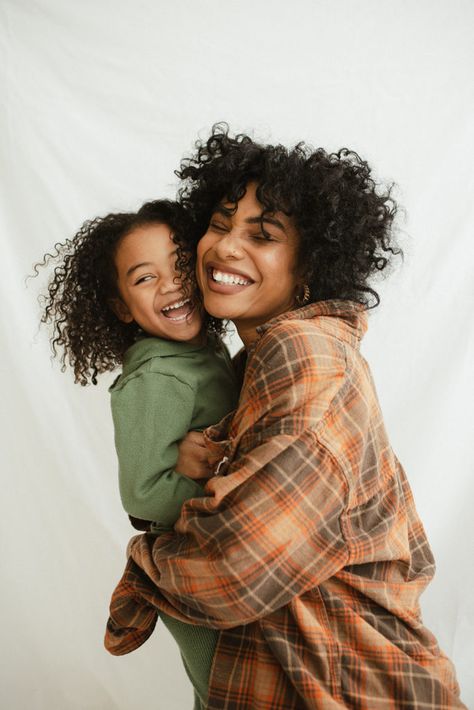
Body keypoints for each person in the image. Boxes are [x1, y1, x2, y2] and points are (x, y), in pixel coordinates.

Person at [105, 127, 466, 709]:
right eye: (219, 223)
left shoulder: (303, 352)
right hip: (282, 678)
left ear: (309, 268)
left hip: (349, 689)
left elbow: (235, 568)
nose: (224, 247)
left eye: (262, 234)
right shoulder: (253, 362)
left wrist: (141, 566)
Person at [37, 199, 239, 710]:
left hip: (213, 558)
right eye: (145, 278)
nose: (171, 285)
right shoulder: (157, 376)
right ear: (123, 306)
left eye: (178, 266)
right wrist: (214, 485)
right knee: (227, 689)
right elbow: (143, 493)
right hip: (185, 568)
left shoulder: (202, 350)